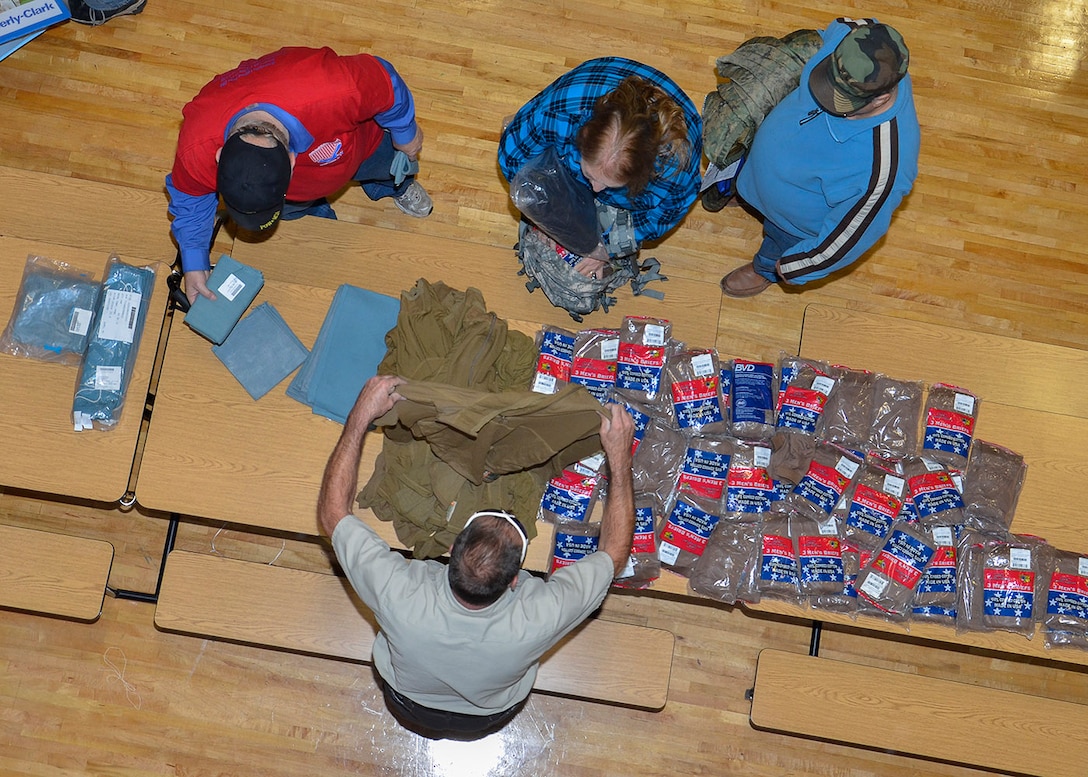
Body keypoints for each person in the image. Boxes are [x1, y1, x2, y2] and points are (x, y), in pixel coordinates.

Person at [317, 374, 636, 740]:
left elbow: (332, 514)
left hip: (404, 699)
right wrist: (619, 456)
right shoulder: (541, 616)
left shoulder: (398, 592)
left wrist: (360, 414)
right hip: (489, 715)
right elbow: (613, 553)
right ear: (516, 579)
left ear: (450, 551)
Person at [167, 47, 432, 305]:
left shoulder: (335, 89)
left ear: (294, 163)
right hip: (298, 187)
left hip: (364, 147)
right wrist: (193, 261)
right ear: (218, 155)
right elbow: (191, 200)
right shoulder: (196, 146)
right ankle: (316, 211)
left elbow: (385, 82)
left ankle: (393, 188)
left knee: (388, 167)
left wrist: (405, 134)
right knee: (294, 208)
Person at [720, 18, 920, 297]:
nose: (825, 96)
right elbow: (834, 28)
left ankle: (762, 270)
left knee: (776, 248)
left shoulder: (883, 168)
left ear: (881, 98)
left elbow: (848, 239)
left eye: (843, 100)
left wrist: (796, 266)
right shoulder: (855, 37)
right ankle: (747, 192)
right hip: (758, 168)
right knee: (745, 180)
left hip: (790, 225)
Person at [498, 57, 702, 280]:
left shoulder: (676, 168)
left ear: (646, 172)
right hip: (566, 123)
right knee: (527, 144)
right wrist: (548, 220)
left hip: (644, 177)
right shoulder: (559, 112)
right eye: (590, 175)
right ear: (582, 135)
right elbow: (512, 160)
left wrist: (606, 249)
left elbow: (660, 218)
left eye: (608, 184)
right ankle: (548, 144)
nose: (595, 189)